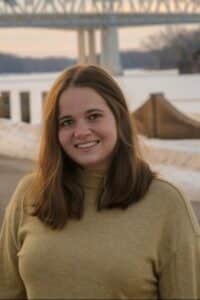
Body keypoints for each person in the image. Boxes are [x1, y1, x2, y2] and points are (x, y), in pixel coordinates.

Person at [0, 64, 199, 299]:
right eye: (66, 122)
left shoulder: (166, 203)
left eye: (94, 116)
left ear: (119, 118)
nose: (81, 131)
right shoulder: (30, 193)